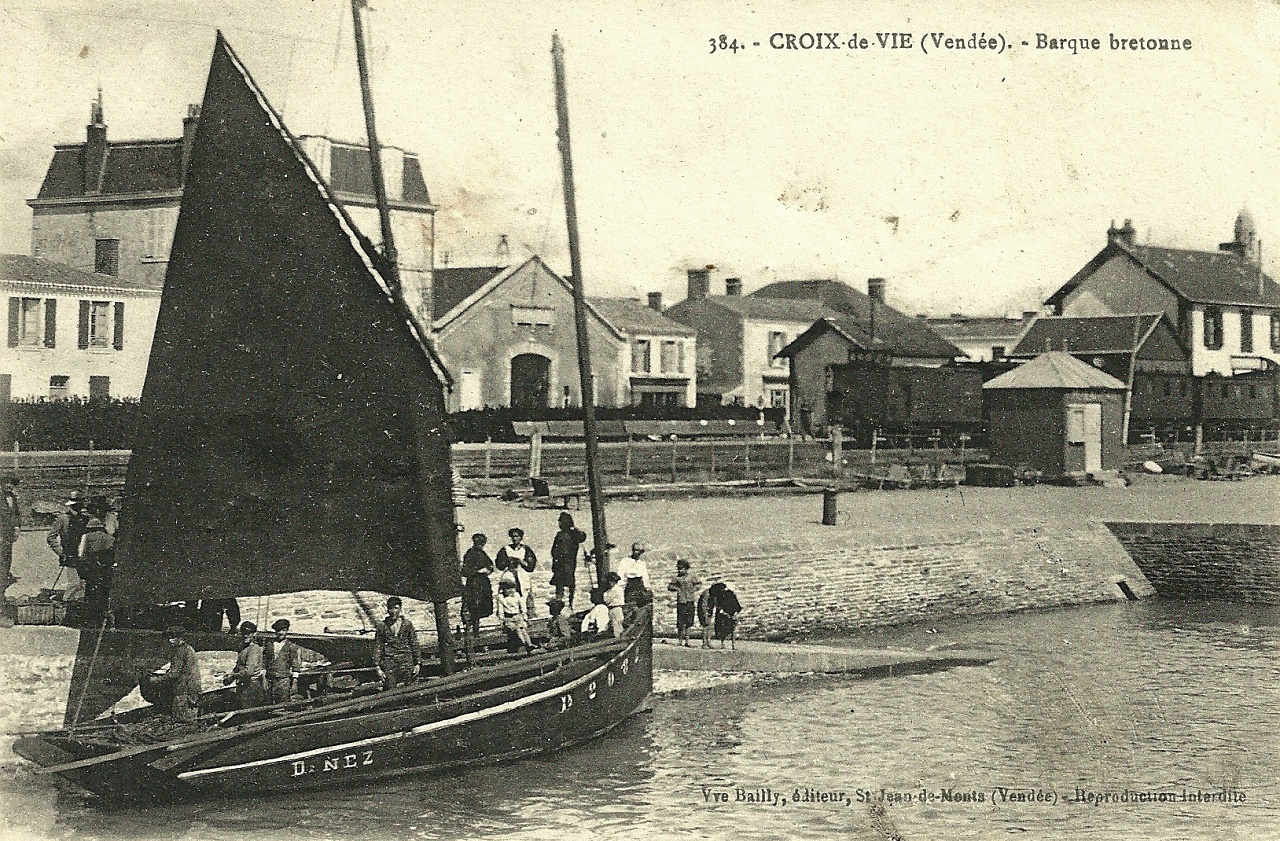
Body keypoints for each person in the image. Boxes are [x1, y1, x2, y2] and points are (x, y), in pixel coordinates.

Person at [148, 625, 202, 721]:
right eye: (169, 638)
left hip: (183, 689)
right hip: (193, 687)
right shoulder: (188, 648)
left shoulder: (179, 651)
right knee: (191, 717)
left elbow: (174, 674)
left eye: (173, 638)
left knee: (181, 720)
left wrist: (156, 680)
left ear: (180, 638)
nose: (170, 641)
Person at [47, 491, 89, 595]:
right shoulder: (62, 519)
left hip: (85, 555)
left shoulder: (85, 519)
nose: (76, 509)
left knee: (85, 584)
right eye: (74, 506)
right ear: (69, 507)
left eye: (78, 506)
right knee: (73, 584)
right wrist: (61, 552)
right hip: (70, 555)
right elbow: (51, 537)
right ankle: (67, 604)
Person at [374, 596, 420, 690]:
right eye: (391, 608)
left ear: (400, 609)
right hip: (390, 662)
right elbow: (378, 646)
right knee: (390, 689)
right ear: (387, 609)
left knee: (412, 688)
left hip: (406, 660)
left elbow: (414, 643)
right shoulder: (382, 626)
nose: (393, 611)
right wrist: (377, 666)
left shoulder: (407, 624)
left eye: (396, 608)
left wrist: (417, 663)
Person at [76, 516, 115, 622]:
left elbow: (81, 554)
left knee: (91, 592)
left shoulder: (86, 537)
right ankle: (104, 615)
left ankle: (92, 617)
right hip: (106, 569)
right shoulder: (110, 538)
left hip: (92, 568)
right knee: (104, 592)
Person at [495, 527, 538, 618]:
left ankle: (526, 617)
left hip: (522, 575)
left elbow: (531, 566)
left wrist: (521, 561)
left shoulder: (526, 549)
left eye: (517, 536)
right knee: (508, 596)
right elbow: (499, 565)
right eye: (513, 536)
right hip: (509, 575)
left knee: (524, 596)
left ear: (521, 537)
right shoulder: (505, 549)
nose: (515, 538)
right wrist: (508, 561)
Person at [223, 621, 267, 708]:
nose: (245, 636)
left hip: (251, 687)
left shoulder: (254, 649)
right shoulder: (244, 648)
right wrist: (230, 676)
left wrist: (233, 676)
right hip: (243, 685)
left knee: (247, 713)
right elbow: (238, 666)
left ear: (254, 634)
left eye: (248, 633)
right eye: (243, 633)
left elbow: (249, 672)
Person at [549, 513, 587, 608]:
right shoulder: (573, 534)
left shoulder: (565, 535)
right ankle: (569, 603)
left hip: (564, 562)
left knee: (561, 584)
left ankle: (562, 602)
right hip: (568, 562)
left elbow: (555, 550)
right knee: (568, 583)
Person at [461, 533, 495, 638]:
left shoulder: (482, 553)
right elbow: (465, 571)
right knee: (473, 608)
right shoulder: (470, 554)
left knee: (480, 608)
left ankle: (476, 632)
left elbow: (490, 565)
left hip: (483, 584)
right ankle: (473, 633)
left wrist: (489, 570)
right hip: (474, 584)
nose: (480, 545)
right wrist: (478, 572)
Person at [666, 558, 702, 647]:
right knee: (681, 622)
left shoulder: (692, 577)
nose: (680, 570)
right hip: (681, 601)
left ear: (686, 569)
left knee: (689, 622)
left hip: (690, 600)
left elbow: (699, 584)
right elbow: (670, 586)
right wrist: (676, 589)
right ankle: (680, 640)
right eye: (678, 568)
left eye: (681, 568)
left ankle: (687, 641)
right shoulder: (676, 578)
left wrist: (694, 589)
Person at [265, 618, 302, 704]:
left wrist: (295, 681)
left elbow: (295, 664)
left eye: (283, 630)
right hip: (269, 678)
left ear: (287, 631)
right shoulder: (269, 645)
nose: (280, 633)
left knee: (282, 702)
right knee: (269, 702)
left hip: (283, 680)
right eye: (278, 630)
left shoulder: (291, 646)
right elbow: (264, 660)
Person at [496, 579, 533, 653]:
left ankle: (529, 644)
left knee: (523, 629)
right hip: (509, 619)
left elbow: (522, 607)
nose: (511, 590)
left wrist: (523, 615)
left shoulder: (516, 595)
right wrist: (509, 619)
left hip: (518, 617)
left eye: (512, 588)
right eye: (508, 589)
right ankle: (525, 644)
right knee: (517, 629)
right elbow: (501, 615)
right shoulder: (501, 597)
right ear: (503, 590)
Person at [1, 474, 20, 590]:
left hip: (9, 534)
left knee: (7, 558)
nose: (9, 485)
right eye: (6, 483)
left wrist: (17, 527)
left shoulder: (12, 497)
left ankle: (4, 579)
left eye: (11, 483)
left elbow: (16, 513)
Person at [711, 582, 742, 649]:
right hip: (731, 613)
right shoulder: (731, 594)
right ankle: (733, 645)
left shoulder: (719, 596)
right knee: (733, 629)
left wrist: (725, 613)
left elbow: (719, 607)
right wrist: (736, 612)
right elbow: (736, 604)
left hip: (724, 614)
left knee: (723, 629)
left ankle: (723, 644)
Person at [603, 571, 626, 637]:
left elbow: (606, 600)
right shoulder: (610, 590)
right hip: (611, 609)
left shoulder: (616, 589)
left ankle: (619, 640)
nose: (610, 583)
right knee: (613, 626)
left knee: (617, 627)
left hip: (616, 609)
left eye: (611, 581)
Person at [696, 583, 716, 649]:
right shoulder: (706, 593)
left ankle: (708, 642)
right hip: (703, 610)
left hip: (709, 609)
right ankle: (704, 643)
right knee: (705, 626)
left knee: (710, 627)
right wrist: (705, 615)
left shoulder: (714, 593)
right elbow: (703, 605)